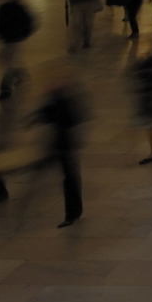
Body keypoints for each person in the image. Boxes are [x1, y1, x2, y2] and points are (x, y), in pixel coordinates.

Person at [30, 76, 87, 228]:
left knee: (69, 180)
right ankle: (75, 212)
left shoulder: (60, 101)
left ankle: (72, 214)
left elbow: (47, 116)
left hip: (63, 147)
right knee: (71, 179)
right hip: (63, 146)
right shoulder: (60, 100)